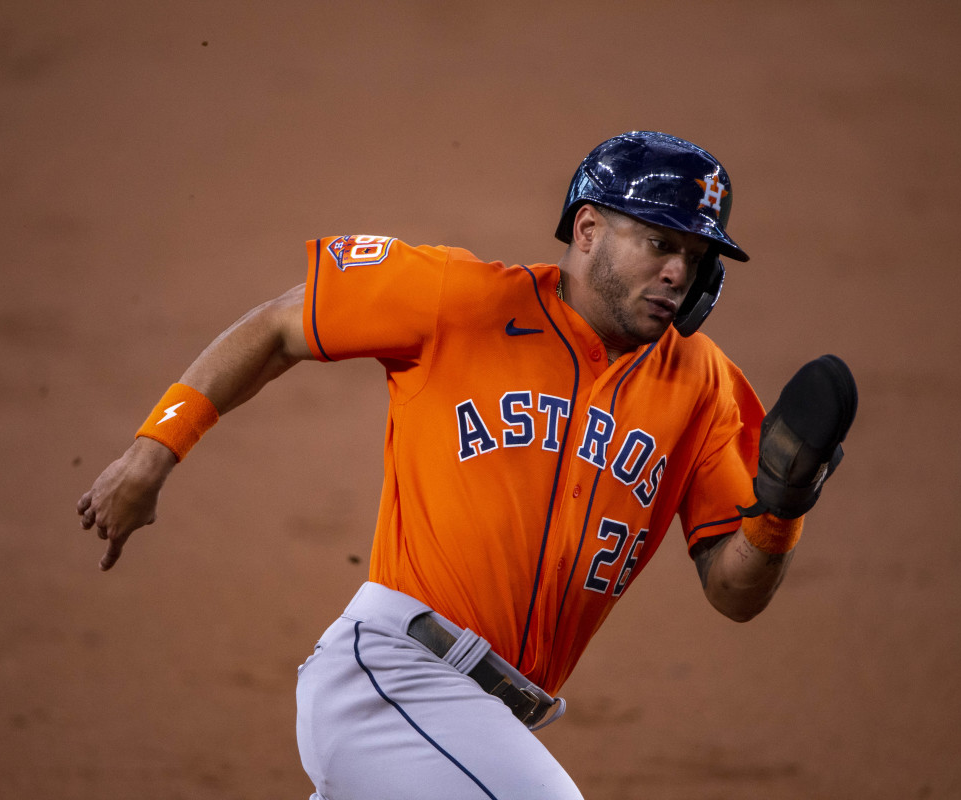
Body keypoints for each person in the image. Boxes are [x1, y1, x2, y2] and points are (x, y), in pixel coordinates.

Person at [76, 131, 857, 799]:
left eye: (696, 255)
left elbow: (734, 591)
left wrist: (781, 511)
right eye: (660, 243)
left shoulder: (705, 383)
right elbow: (285, 322)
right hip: (394, 676)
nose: (679, 273)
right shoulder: (464, 300)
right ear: (587, 231)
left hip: (471, 727)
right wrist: (153, 455)